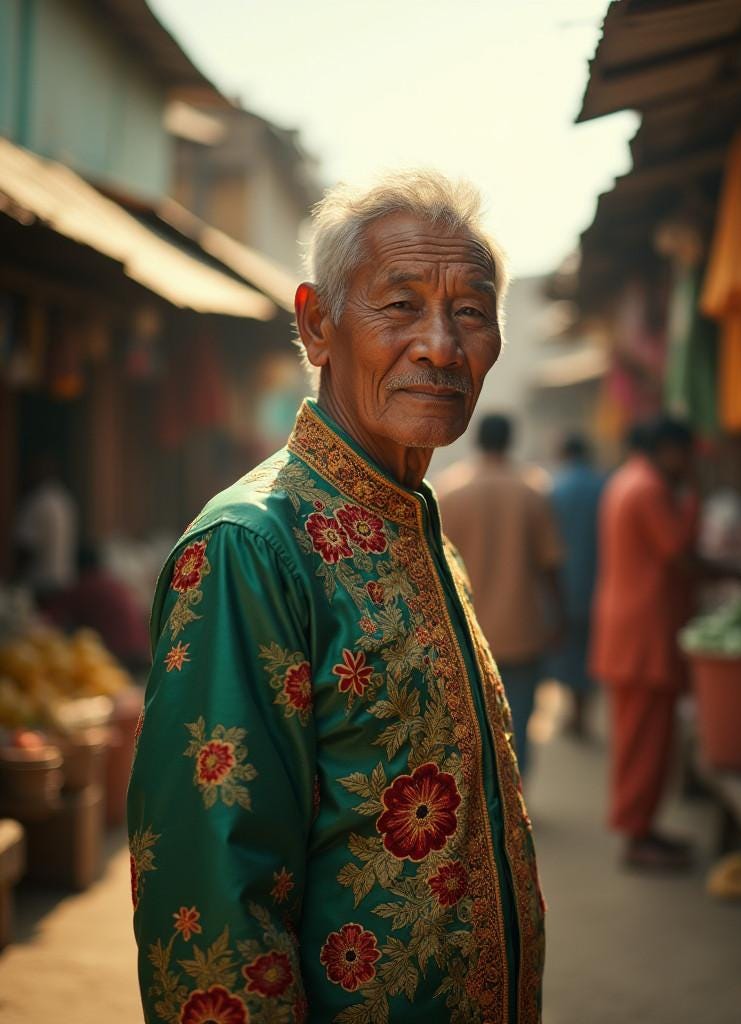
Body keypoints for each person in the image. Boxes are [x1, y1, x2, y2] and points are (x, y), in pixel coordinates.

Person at [128, 172, 544, 1024]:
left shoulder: (413, 521)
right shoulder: (251, 548)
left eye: (471, 311)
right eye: (400, 306)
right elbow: (215, 905)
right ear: (318, 324)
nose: (441, 345)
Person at [589, 417, 701, 871]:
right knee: (646, 742)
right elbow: (677, 550)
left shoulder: (629, 479)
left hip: (632, 630)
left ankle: (643, 828)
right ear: (670, 449)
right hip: (644, 634)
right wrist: (692, 500)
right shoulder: (650, 488)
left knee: (644, 740)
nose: (689, 463)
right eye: (686, 454)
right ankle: (637, 835)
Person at [435, 414, 563, 779]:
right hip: (522, 630)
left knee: (467, 727)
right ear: (511, 441)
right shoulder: (532, 491)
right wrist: (559, 617)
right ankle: (515, 809)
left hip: (465, 632)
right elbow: (550, 564)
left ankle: (477, 808)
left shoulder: (449, 491)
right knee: (518, 724)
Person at [545, 433, 604, 739]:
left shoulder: (555, 489)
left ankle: (572, 711)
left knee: (568, 652)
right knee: (592, 650)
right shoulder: (603, 487)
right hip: (600, 582)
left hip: (564, 583)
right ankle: (584, 715)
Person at [46, 544, 151, 673]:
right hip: (142, 648)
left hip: (120, 654)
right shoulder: (112, 582)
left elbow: (52, 619)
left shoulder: (85, 586)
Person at [14, 451, 77, 600]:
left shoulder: (37, 501)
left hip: (40, 584)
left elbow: (26, 546)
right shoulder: (64, 500)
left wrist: (14, 580)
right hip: (65, 581)